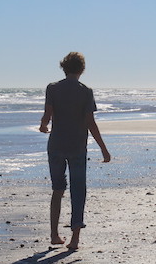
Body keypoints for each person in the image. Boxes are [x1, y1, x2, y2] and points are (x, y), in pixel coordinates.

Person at [40, 52, 111, 250]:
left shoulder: (52, 88)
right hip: (77, 146)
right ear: (82, 69)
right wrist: (103, 149)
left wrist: (43, 125)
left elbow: (47, 114)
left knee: (57, 189)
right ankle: (74, 239)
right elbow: (90, 122)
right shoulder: (85, 91)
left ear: (64, 67)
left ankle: (54, 234)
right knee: (78, 190)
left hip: (56, 145)